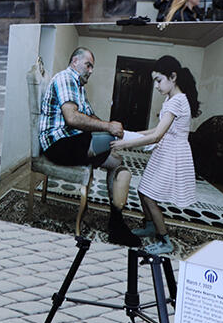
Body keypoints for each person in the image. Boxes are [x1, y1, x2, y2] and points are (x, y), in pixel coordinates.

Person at [39, 47, 138, 246]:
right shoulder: (65, 78)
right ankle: (117, 227)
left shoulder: (79, 87)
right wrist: (108, 127)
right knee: (113, 148)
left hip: (74, 141)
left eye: (92, 66)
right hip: (59, 145)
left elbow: (91, 118)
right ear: (75, 62)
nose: (91, 70)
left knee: (119, 165)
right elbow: (72, 118)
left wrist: (108, 129)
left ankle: (116, 224)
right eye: (88, 65)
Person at [110, 56, 201, 255]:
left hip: (172, 154)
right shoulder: (173, 99)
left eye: (159, 80)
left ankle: (164, 239)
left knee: (150, 197)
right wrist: (130, 133)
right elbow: (156, 130)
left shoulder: (177, 101)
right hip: (166, 150)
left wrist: (126, 144)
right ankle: (150, 225)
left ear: (173, 77)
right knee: (143, 190)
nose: (157, 86)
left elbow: (158, 136)